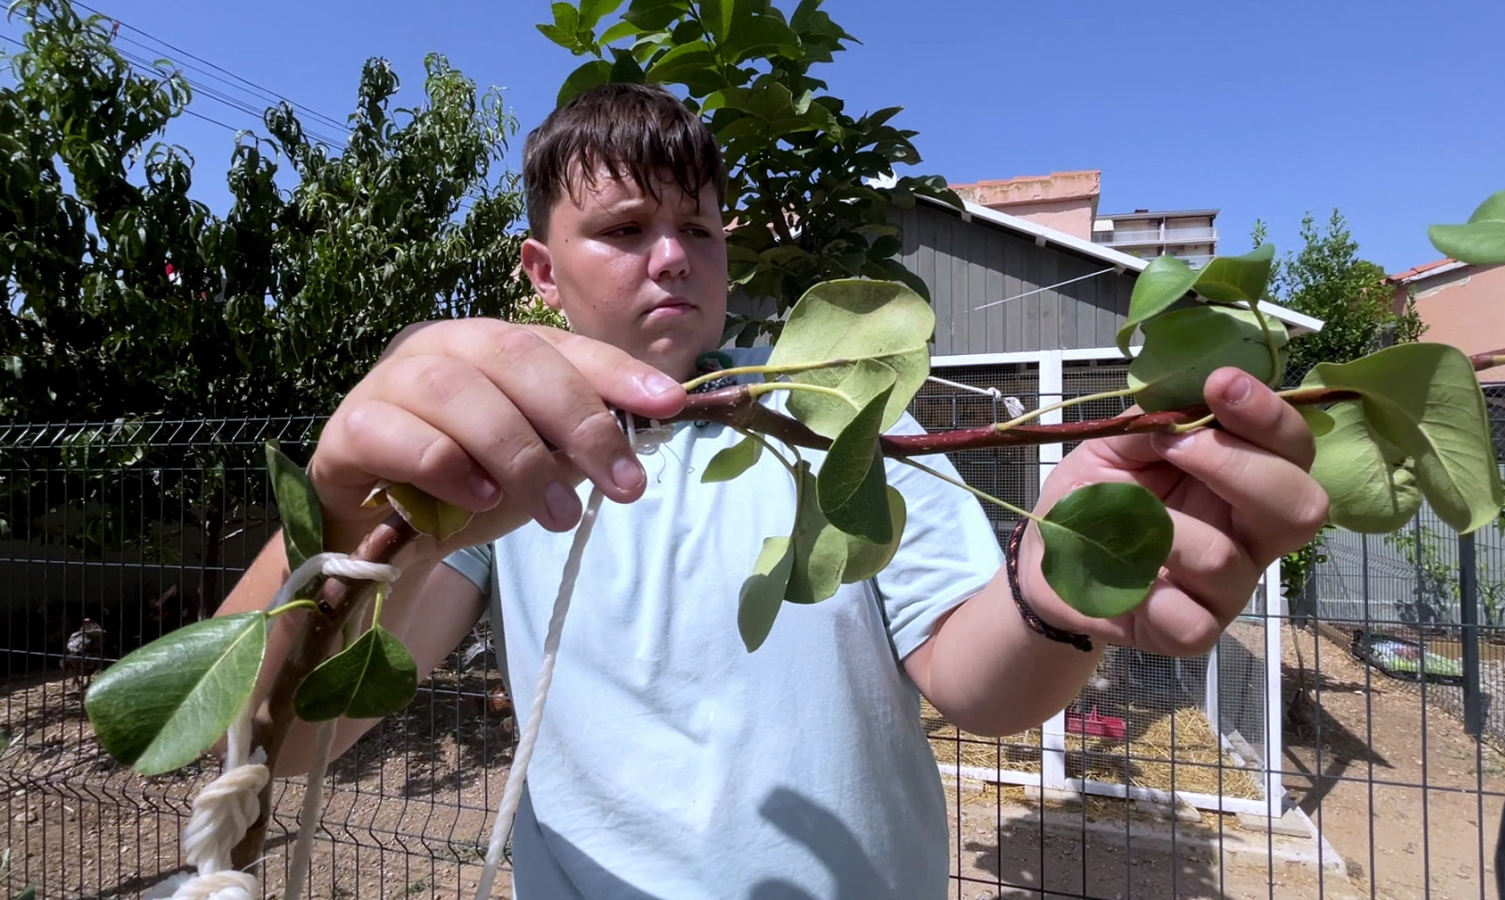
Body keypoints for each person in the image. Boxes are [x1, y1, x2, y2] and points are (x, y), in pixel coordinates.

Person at [218, 83, 1327, 898]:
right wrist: (349, 522)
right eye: (622, 230)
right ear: (540, 275)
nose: (671, 257)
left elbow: (979, 687)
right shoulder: (492, 468)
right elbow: (277, 744)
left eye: (696, 229)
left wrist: (1059, 589)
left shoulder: (848, 417)